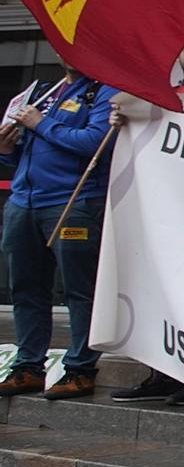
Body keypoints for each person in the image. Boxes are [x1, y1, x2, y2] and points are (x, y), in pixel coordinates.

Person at [0, 64, 116, 399]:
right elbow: (23, 154)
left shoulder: (103, 89)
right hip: (23, 202)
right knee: (25, 289)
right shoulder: (42, 91)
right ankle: (28, 366)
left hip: (74, 201)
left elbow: (95, 142)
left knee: (79, 290)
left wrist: (41, 123)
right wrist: (6, 149)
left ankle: (80, 368)